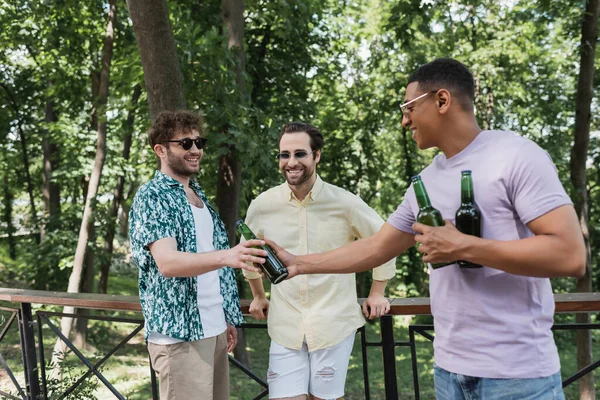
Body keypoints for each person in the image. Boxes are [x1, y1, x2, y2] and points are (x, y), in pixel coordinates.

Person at [266, 59, 586, 399]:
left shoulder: (516, 156)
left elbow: (569, 255)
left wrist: (464, 247)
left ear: (442, 101)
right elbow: (376, 247)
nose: (405, 120)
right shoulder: (427, 181)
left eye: (409, 108)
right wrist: (298, 264)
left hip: (517, 375)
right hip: (449, 373)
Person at [242, 122, 396, 400]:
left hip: (332, 323)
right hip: (285, 325)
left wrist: (377, 292)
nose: (291, 162)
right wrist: (258, 295)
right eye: (284, 155)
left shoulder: (345, 203)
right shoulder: (262, 205)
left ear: (317, 156)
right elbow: (247, 253)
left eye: (300, 154)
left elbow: (385, 241)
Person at [129, 110, 267, 400]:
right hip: (179, 335)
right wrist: (228, 256)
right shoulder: (154, 196)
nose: (196, 150)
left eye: (199, 142)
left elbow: (208, 264)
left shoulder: (198, 196)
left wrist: (224, 315)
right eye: (186, 144)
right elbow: (168, 263)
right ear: (161, 150)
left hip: (213, 329)